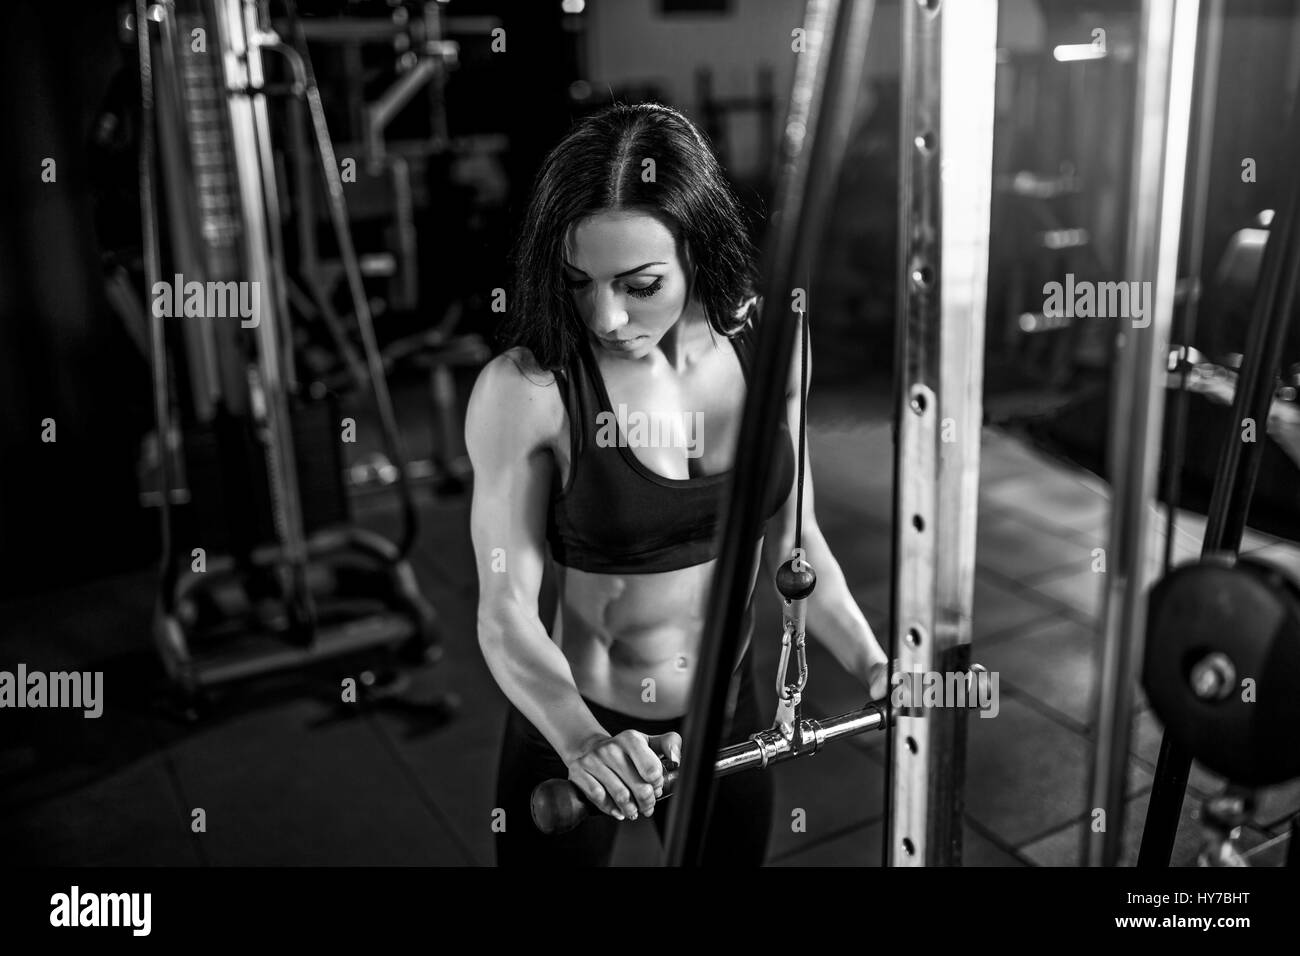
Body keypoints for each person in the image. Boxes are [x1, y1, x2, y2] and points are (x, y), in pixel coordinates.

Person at [465, 102, 888, 867]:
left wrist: (872, 661)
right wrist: (580, 738)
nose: (606, 314)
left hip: (727, 717)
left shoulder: (772, 343)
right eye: (578, 282)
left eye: (640, 283)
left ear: (698, 248)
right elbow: (503, 611)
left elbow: (799, 545)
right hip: (576, 722)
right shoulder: (526, 390)